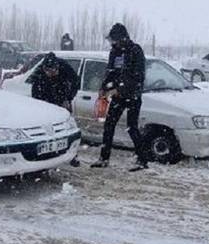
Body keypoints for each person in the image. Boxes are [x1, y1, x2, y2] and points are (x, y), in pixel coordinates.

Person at [91, 23, 148, 171]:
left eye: (114, 40)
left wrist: (120, 89)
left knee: (132, 128)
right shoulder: (114, 52)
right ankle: (104, 158)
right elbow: (110, 72)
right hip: (117, 96)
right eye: (111, 40)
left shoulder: (135, 51)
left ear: (122, 38)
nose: (112, 43)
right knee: (109, 125)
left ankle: (142, 160)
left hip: (132, 95)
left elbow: (138, 76)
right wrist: (104, 88)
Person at [30, 52, 81, 167]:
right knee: (45, 129)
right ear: (44, 69)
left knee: (67, 128)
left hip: (62, 97)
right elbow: (35, 94)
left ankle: (72, 155)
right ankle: (44, 155)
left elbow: (76, 82)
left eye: (55, 71)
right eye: (50, 72)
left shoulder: (64, 66)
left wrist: (68, 98)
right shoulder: (38, 75)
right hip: (45, 99)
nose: (53, 74)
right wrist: (40, 107)